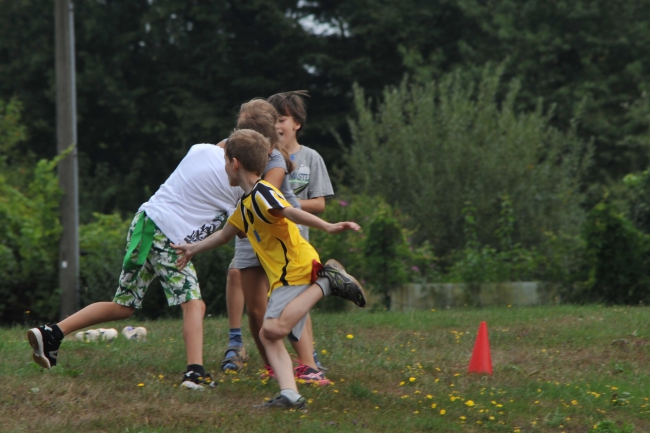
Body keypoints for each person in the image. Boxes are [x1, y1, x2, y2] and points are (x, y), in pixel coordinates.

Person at [172, 128, 366, 409]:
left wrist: (327, 225)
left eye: (225, 161)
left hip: (295, 268)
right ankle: (290, 394)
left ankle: (328, 282)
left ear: (235, 163)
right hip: (284, 275)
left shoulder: (263, 193)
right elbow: (225, 235)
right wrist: (193, 248)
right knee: (267, 334)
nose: (223, 167)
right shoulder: (246, 203)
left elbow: (289, 210)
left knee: (273, 328)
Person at [27, 141, 243, 390]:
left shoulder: (201, 149)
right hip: (169, 237)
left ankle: (51, 333)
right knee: (194, 303)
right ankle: (194, 374)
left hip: (145, 224)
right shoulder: (238, 184)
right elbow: (241, 232)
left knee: (123, 306)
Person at [220, 100, 327, 385]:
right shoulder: (230, 150)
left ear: (267, 144)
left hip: (281, 230)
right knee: (256, 309)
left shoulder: (275, 161)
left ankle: (307, 365)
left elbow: (266, 197)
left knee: (290, 300)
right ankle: (274, 365)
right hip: (250, 232)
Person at [268, 90, 334, 371]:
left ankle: (309, 362)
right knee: (285, 303)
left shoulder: (311, 157)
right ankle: (304, 361)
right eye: (272, 120)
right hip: (269, 244)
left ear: (297, 123)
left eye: (281, 119)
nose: (276, 125)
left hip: (296, 244)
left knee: (295, 304)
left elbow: (319, 204)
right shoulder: (267, 157)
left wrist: (284, 205)